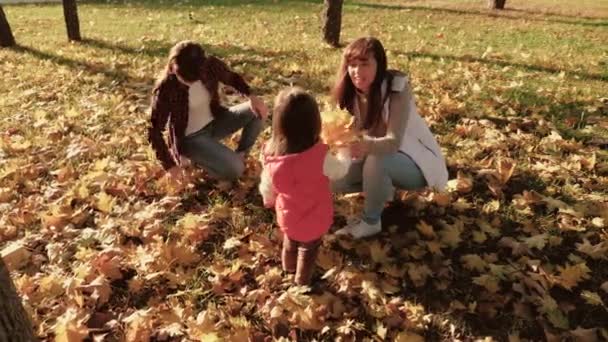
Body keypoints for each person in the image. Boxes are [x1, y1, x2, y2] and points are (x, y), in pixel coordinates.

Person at [331, 37, 449, 239]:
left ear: (379, 64)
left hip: (415, 164)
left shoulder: (397, 89)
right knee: (331, 178)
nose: (357, 71)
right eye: (352, 65)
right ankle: (383, 191)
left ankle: (371, 221)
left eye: (365, 64)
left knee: (379, 159)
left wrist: (363, 146)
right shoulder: (350, 93)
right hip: (373, 159)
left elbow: (393, 142)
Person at [259, 87, 350, 285]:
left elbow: (267, 182)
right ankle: (302, 281)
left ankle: (288, 268)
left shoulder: (271, 153)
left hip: (288, 213)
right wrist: (345, 151)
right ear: (314, 124)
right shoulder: (319, 157)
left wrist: (269, 198)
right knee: (308, 249)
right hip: (314, 216)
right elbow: (340, 170)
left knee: (290, 241)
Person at [148, 40, 268, 183]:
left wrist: (251, 96)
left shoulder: (210, 65)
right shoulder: (165, 89)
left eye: (195, 78)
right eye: (185, 79)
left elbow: (231, 78)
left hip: (215, 122)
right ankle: (204, 161)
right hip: (190, 138)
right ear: (173, 67)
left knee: (258, 110)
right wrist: (170, 166)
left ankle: (241, 154)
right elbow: (153, 130)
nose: (191, 83)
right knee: (235, 170)